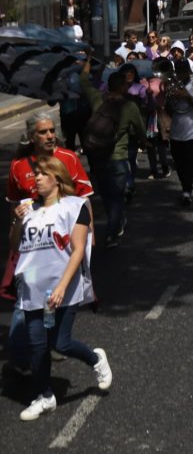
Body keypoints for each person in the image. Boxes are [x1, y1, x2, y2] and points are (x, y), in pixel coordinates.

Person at [9, 156, 112, 421]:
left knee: (60, 343)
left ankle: (95, 359)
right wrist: (18, 222)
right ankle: (44, 396)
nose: (37, 179)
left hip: (64, 285)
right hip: (33, 287)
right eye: (36, 175)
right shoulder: (27, 209)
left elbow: (79, 249)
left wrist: (62, 286)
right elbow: (15, 245)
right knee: (36, 344)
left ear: (56, 178)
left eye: (42, 174)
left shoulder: (74, 206)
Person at [80, 62, 147, 247]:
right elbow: (140, 130)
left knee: (107, 196)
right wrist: (145, 142)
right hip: (118, 158)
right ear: (122, 87)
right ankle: (112, 232)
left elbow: (84, 81)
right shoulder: (130, 106)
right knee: (117, 197)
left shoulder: (97, 99)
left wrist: (88, 62)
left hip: (98, 157)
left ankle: (115, 223)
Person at [166, 59, 193, 206]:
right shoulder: (173, 87)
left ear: (188, 71)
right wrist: (168, 96)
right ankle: (185, 185)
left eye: (183, 71)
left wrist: (186, 96)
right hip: (176, 130)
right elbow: (169, 110)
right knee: (178, 162)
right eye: (178, 71)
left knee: (189, 162)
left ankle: (187, 190)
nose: (180, 74)